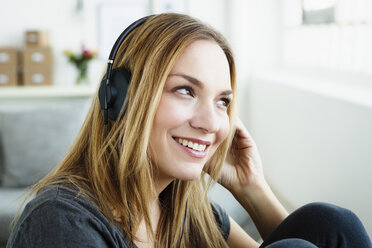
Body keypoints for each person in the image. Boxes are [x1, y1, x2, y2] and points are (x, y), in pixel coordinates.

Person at [7, 13, 371, 248]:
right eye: (186, 90)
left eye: (222, 102)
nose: (212, 124)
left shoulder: (186, 208)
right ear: (121, 98)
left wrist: (252, 189)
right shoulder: (60, 219)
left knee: (330, 223)